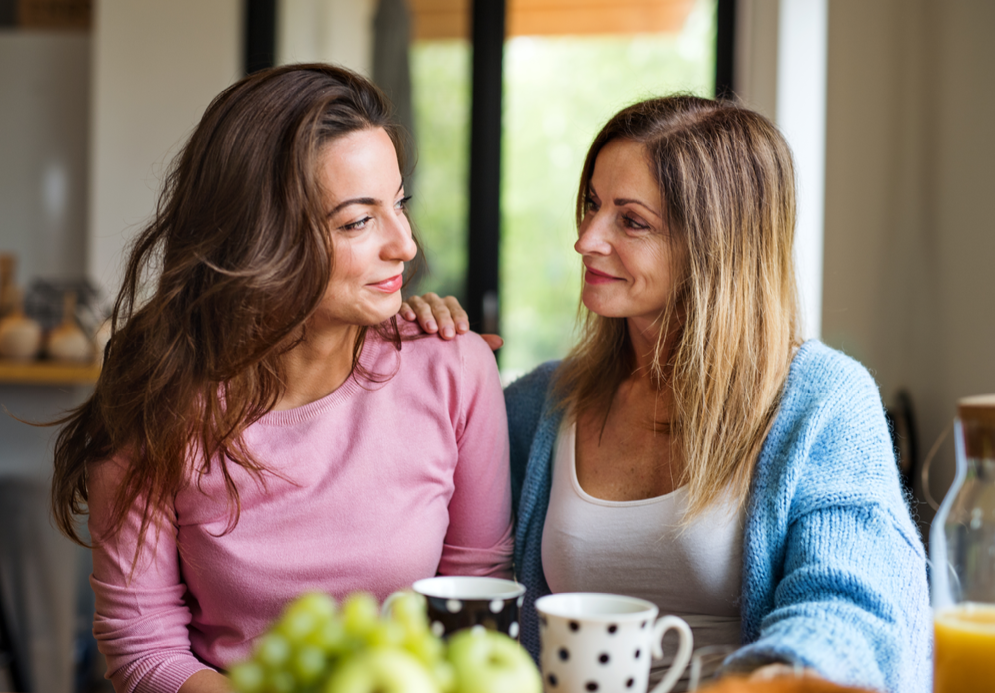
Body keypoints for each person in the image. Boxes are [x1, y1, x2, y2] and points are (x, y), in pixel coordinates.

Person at [402, 96, 929, 692]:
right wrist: (410, 356)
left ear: (717, 244)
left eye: (631, 221)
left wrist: (769, 679)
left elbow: (850, 608)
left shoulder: (823, 401)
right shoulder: (544, 403)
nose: (586, 240)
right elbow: (408, 512)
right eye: (592, 205)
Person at [50, 64, 513, 693]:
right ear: (260, 235)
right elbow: (144, 647)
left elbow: (476, 599)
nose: (405, 245)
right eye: (358, 222)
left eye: (399, 204)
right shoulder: (153, 396)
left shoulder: (453, 368)